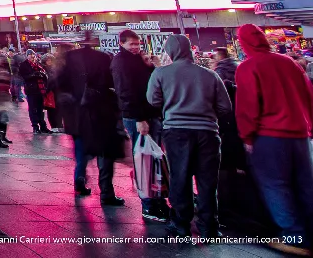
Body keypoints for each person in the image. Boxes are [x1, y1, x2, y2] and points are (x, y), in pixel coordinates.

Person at [233, 25, 313, 254]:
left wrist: (246, 136)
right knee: (305, 185)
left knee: (275, 185)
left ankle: (295, 237)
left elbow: (248, 107)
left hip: (269, 135)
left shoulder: (248, 67)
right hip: (299, 134)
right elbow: (309, 95)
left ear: (244, 43)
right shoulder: (290, 62)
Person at [147, 34, 232, 238]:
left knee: (180, 177)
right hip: (208, 133)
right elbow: (225, 107)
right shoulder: (210, 75)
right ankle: (209, 227)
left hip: (176, 132)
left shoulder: (160, 73)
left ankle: (181, 223)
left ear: (170, 51)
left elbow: (152, 100)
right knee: (207, 181)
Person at [57, 32, 125, 205]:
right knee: (104, 153)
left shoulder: (70, 58)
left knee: (81, 150)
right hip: (99, 111)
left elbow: (60, 82)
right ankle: (106, 192)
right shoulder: (102, 58)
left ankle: (80, 177)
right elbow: (110, 82)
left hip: (77, 113)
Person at [110, 29, 167, 221]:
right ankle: (149, 205)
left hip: (148, 114)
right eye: (131, 44)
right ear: (122, 43)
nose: (135, 48)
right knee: (145, 161)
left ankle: (156, 200)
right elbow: (127, 92)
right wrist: (139, 119)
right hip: (139, 117)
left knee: (154, 159)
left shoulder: (137, 60)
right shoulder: (121, 62)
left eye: (137, 44)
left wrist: (151, 66)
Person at [19, 50, 52, 134]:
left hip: (40, 90)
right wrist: (34, 75)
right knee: (33, 109)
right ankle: (35, 127)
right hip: (31, 90)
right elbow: (24, 76)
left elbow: (45, 75)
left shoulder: (38, 65)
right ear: (27, 56)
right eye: (29, 54)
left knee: (40, 109)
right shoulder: (24, 65)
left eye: (33, 54)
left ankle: (43, 126)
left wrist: (42, 75)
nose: (32, 56)